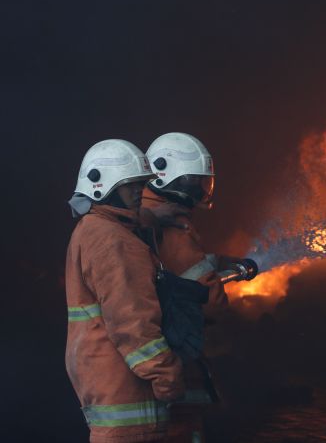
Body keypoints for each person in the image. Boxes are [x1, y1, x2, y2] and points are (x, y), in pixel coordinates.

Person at [66, 139, 184, 443]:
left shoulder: (93, 227)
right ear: (102, 186)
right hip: (127, 392)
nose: (138, 193)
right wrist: (167, 375)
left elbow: (123, 216)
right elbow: (133, 322)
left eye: (139, 184)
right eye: (129, 186)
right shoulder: (114, 242)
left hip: (104, 378)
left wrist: (155, 216)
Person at [142, 132, 237, 443]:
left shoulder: (143, 216)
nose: (199, 190)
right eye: (194, 181)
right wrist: (213, 276)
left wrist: (215, 262)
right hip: (177, 361)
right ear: (171, 179)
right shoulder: (175, 227)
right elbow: (212, 303)